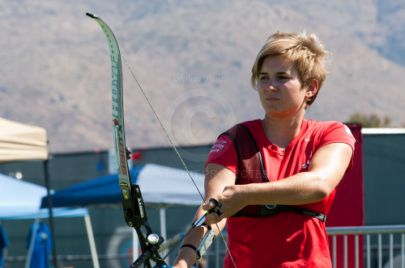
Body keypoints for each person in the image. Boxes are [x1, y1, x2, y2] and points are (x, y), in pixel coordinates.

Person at [173, 31, 355, 267]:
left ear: (310, 87)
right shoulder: (234, 139)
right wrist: (183, 261)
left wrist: (246, 194)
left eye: (281, 77)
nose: (270, 86)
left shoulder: (332, 134)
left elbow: (319, 185)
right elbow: (215, 206)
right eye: (263, 77)